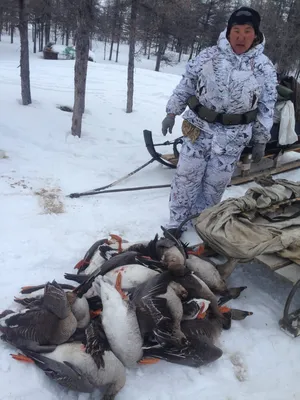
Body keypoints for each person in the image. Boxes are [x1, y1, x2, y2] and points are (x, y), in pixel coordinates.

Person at [161, 6, 278, 238]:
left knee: (215, 183)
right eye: (236, 30)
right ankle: (176, 223)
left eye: (247, 31)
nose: (241, 37)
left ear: (255, 34)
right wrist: (172, 112)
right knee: (186, 176)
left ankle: (203, 222)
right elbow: (186, 85)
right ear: (228, 31)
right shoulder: (208, 55)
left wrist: (261, 139)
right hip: (197, 128)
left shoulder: (264, 67)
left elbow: (267, 106)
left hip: (232, 137)